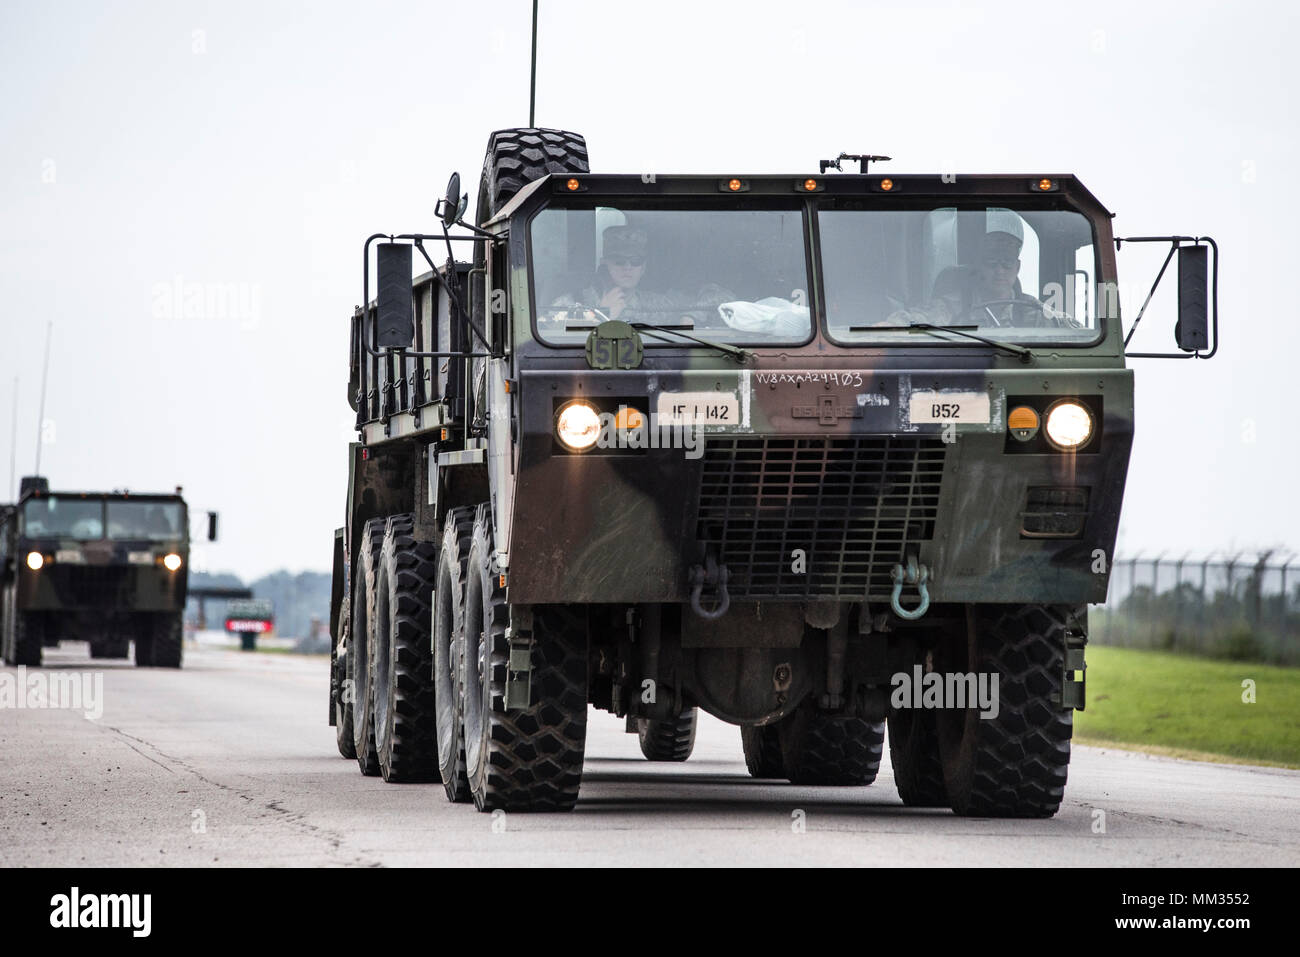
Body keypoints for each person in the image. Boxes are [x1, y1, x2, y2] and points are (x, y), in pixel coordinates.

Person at [551, 225, 678, 321]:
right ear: (605, 265)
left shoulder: (659, 306)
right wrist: (601, 315)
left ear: (643, 268)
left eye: (635, 261)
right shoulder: (572, 303)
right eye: (619, 261)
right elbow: (552, 345)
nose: (628, 267)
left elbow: (690, 322)